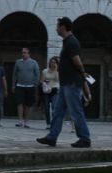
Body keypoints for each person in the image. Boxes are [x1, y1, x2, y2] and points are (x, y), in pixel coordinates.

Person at [37, 17, 92, 148]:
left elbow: (77, 62)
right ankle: (52, 137)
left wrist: (83, 73)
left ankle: (85, 138)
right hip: (66, 83)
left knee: (76, 111)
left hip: (72, 83)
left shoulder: (71, 42)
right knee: (58, 111)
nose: (56, 28)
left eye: (57, 26)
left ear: (63, 27)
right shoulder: (67, 42)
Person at [12, 47, 40, 129]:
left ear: (29, 54)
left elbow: (37, 73)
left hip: (30, 86)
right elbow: (14, 74)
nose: (23, 54)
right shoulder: (18, 62)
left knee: (28, 104)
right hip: (20, 85)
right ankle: (20, 121)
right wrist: (13, 85)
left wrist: (36, 83)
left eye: (25, 52)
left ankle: (26, 121)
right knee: (19, 103)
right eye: (22, 52)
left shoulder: (34, 62)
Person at [41, 57, 59, 130]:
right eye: (51, 62)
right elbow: (41, 80)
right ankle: (48, 123)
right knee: (46, 107)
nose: (53, 63)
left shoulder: (58, 71)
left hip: (55, 90)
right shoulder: (45, 71)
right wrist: (45, 84)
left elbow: (58, 81)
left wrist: (56, 70)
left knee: (54, 108)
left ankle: (54, 124)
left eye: (54, 62)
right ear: (49, 63)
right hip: (46, 90)